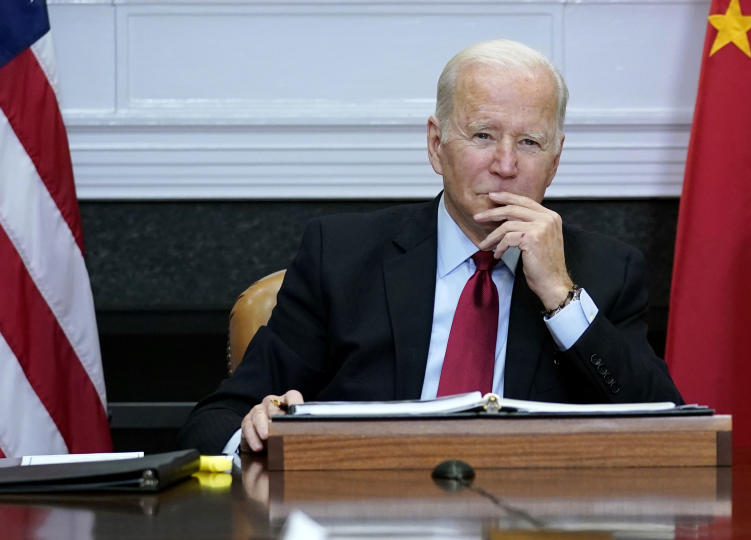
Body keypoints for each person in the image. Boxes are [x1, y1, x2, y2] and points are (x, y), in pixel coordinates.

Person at [178, 39, 683, 455]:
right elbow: (214, 421)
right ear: (436, 146)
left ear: (555, 160)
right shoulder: (342, 257)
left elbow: (670, 436)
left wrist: (560, 294)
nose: (506, 165)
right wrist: (253, 436)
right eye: (483, 135)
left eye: (530, 142)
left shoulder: (605, 271)